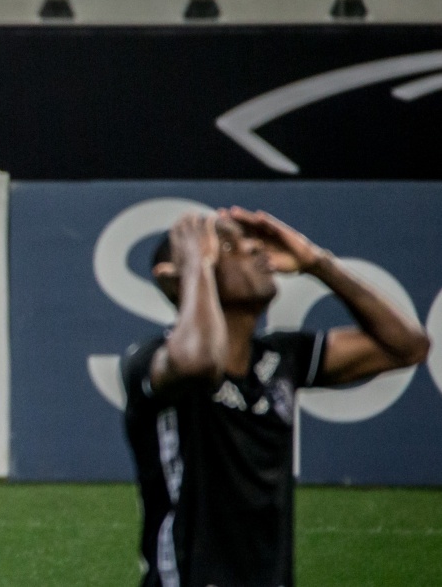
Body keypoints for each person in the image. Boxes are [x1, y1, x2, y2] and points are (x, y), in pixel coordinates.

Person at [120, 206, 430, 587]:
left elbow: (408, 347)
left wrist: (317, 263)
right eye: (228, 247)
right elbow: (199, 363)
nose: (253, 249)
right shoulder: (152, 361)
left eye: (250, 242)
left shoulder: (279, 358)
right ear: (176, 280)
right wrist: (195, 269)